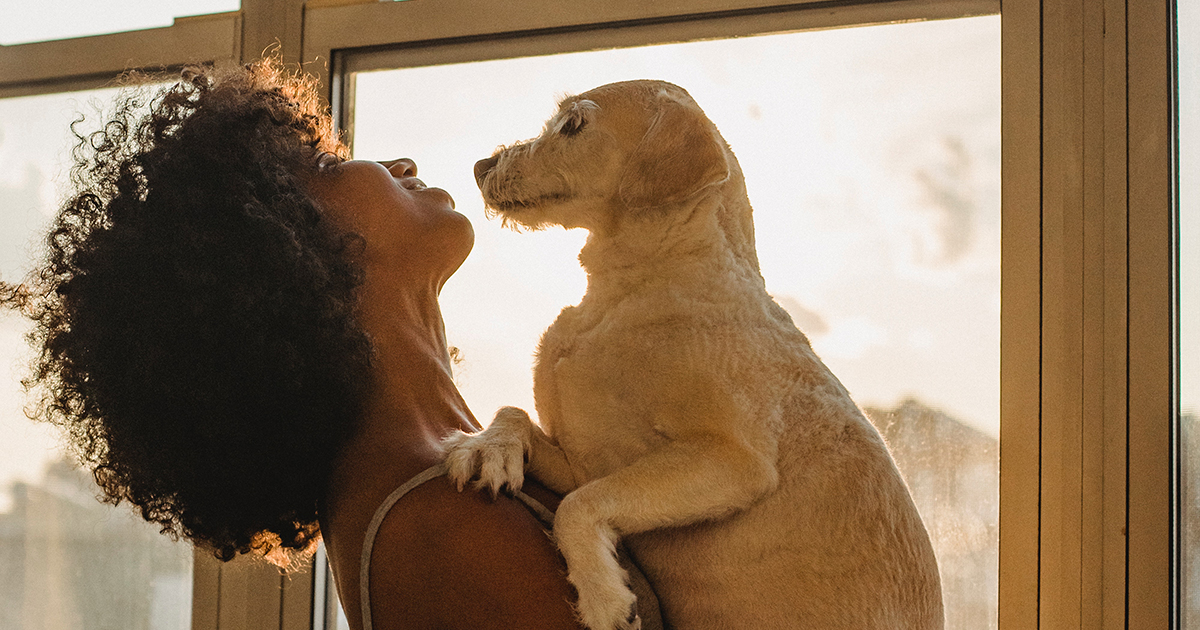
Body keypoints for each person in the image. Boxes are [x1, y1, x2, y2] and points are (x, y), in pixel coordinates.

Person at [0, 59, 659, 630]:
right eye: (328, 165)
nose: (399, 163)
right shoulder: (439, 522)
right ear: (280, 256)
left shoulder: (452, 466)